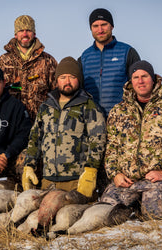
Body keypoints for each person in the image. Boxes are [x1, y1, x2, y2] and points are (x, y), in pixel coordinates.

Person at [100, 60, 162, 218]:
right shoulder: (118, 111)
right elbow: (111, 147)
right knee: (103, 217)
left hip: (156, 182)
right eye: (136, 77)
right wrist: (115, 174)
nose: (140, 81)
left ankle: (143, 210)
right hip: (126, 181)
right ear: (130, 82)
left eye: (144, 76)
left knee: (156, 223)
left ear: (153, 79)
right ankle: (132, 210)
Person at [21, 57, 107, 199]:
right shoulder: (45, 107)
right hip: (48, 181)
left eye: (72, 77)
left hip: (77, 181)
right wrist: (29, 166)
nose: (67, 82)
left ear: (79, 79)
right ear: (57, 80)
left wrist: (91, 171)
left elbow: (98, 139)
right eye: (63, 77)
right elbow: (35, 138)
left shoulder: (88, 106)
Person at [0, 15, 57, 121]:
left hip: (40, 124)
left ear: (34, 33)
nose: (25, 34)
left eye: (28, 30)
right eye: (21, 30)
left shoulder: (48, 61)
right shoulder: (3, 61)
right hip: (11, 124)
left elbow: (57, 93)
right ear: (15, 34)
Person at [80, 8, 141, 116]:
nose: (100, 30)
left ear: (111, 26)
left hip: (122, 120)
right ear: (90, 28)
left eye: (104, 24)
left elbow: (139, 86)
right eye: (95, 26)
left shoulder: (127, 52)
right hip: (92, 122)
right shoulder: (84, 57)